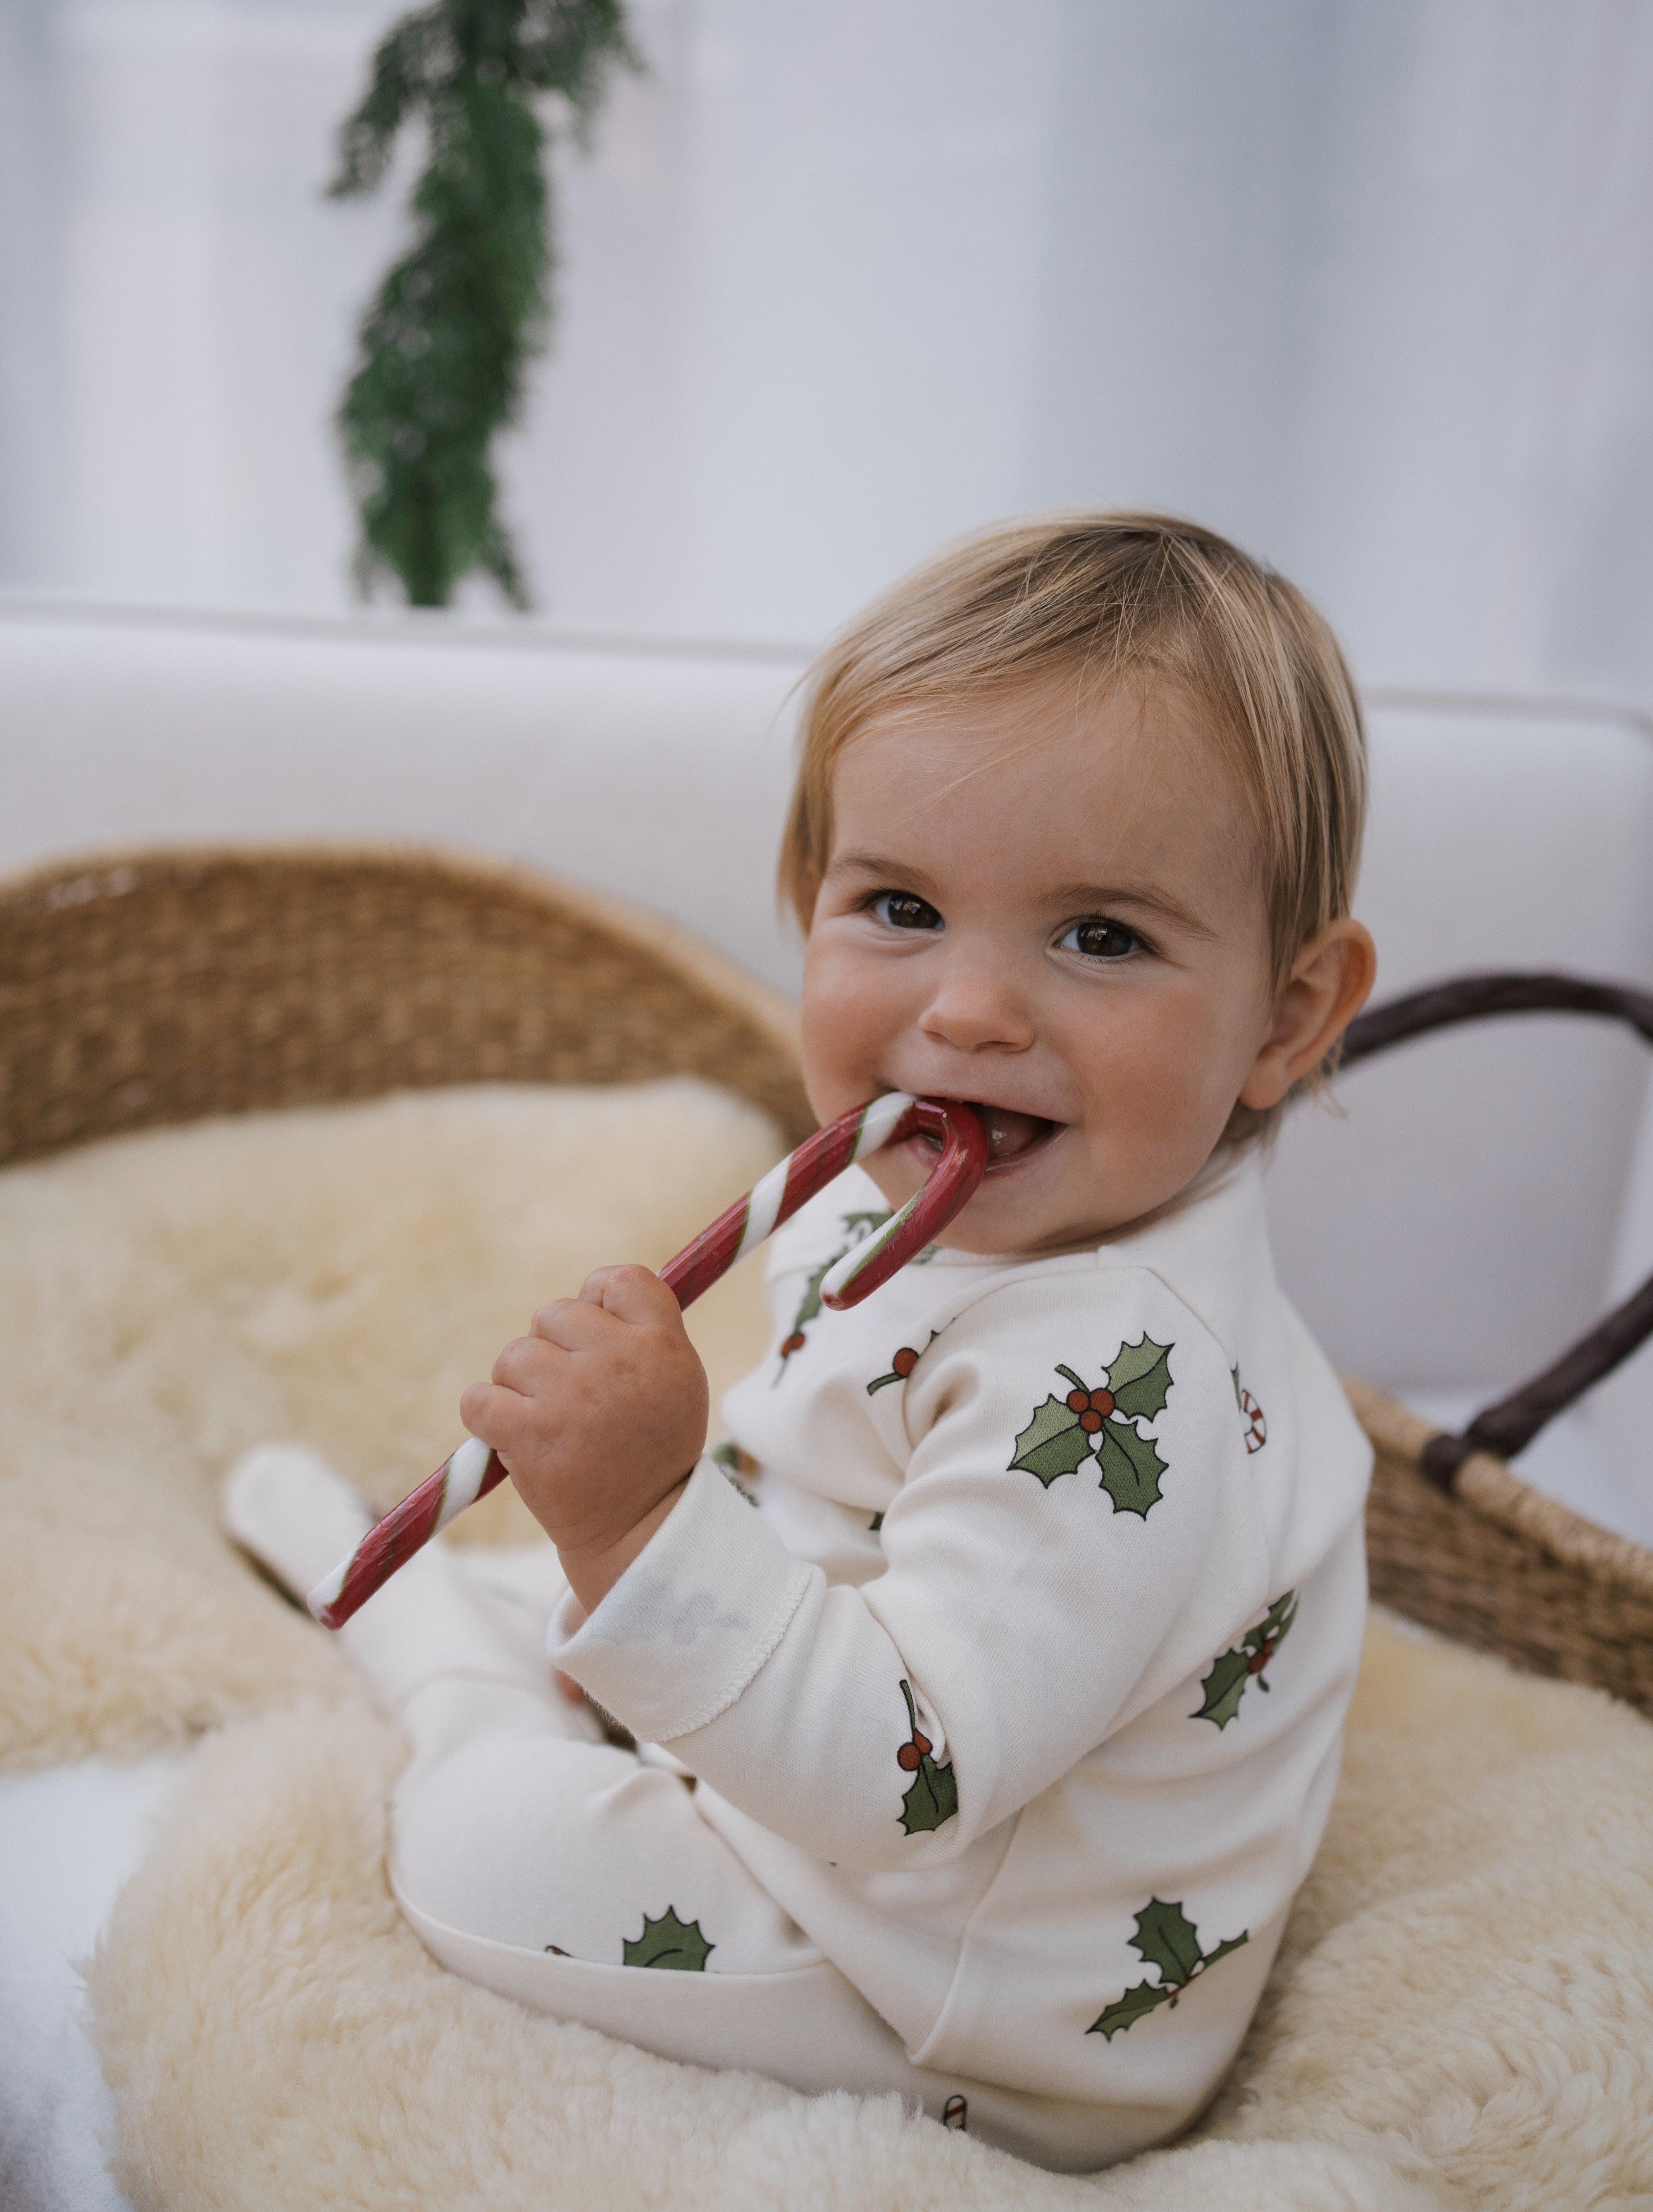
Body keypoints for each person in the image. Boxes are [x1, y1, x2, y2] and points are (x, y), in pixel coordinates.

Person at [225, 512, 1377, 2173]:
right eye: (900, 906)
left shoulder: (1114, 1386)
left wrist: (637, 1523)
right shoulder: (921, 1195)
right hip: (849, 1734)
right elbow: (826, 1469)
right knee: (577, 1593)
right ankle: (517, 1641)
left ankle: (462, 1701)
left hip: (958, 1981)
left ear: (1283, 1015)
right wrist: (675, 1539)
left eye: (1101, 936)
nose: (970, 1010)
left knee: (488, 1855)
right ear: (806, 906)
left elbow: (912, 1775)